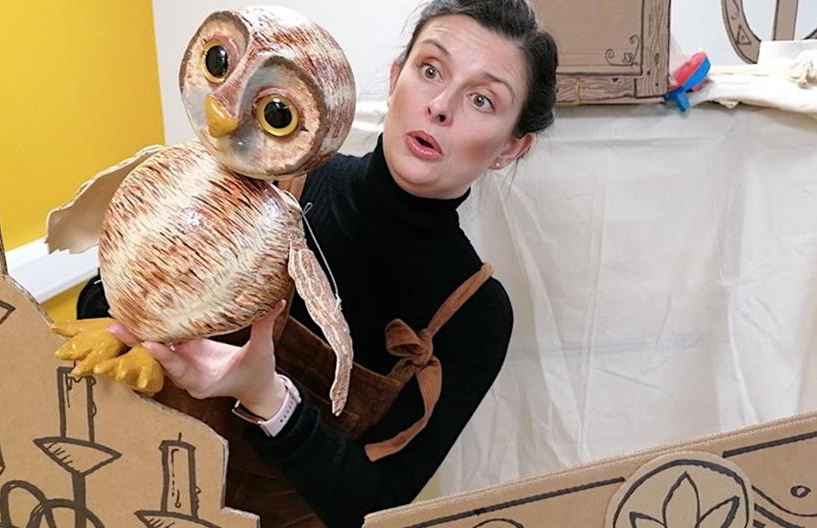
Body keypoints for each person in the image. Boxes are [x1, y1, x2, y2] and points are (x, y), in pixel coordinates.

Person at [79, 1, 558, 526]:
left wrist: (267, 397)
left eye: (483, 100)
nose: (440, 106)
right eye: (430, 70)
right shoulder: (268, 174)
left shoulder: (475, 315)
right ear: (397, 78)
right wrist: (140, 323)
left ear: (510, 148)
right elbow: (99, 297)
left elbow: (376, 505)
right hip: (135, 493)